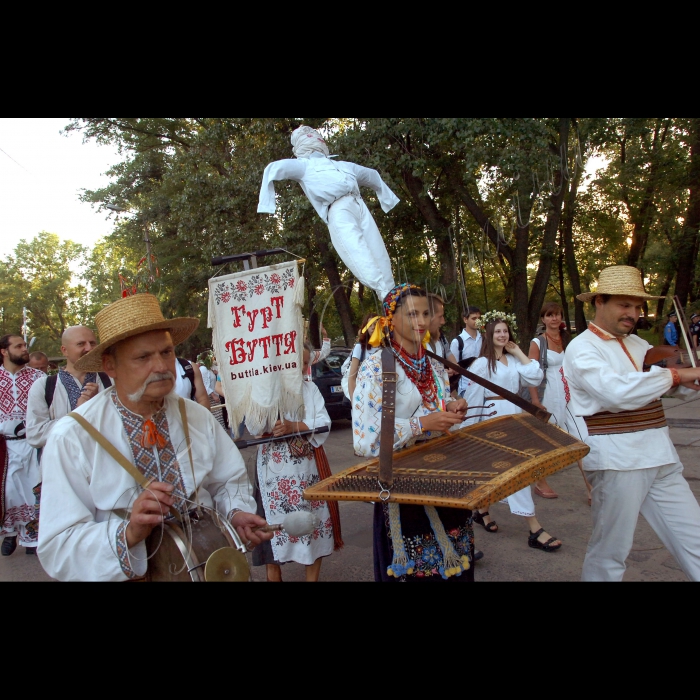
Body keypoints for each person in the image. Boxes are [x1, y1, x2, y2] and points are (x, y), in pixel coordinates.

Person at [37, 294, 272, 582]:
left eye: (166, 352)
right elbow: (58, 546)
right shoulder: (72, 436)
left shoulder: (196, 417)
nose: (161, 366)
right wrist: (129, 533)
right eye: (143, 357)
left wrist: (235, 513)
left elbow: (228, 481)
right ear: (110, 366)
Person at [563, 266, 700, 582]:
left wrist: (683, 383)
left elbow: (659, 389)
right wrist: (677, 375)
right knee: (610, 553)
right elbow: (616, 394)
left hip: (661, 456)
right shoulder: (582, 348)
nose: (633, 313)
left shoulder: (640, 345)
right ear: (599, 301)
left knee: (694, 538)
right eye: (625, 305)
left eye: (638, 307)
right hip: (619, 461)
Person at [354, 284, 475, 582]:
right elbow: (365, 440)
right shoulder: (375, 369)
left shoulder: (433, 365)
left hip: (444, 480)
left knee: (457, 569)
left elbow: (435, 405)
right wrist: (421, 425)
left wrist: (452, 407)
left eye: (424, 313)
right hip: (402, 490)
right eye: (411, 314)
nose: (420, 321)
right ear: (390, 320)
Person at [258, 126, 399, 299]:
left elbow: (372, 175)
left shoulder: (344, 165)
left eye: (315, 136)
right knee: (356, 249)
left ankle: (392, 294)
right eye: (308, 137)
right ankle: (384, 292)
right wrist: (267, 204)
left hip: (358, 203)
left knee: (378, 250)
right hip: (337, 209)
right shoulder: (303, 166)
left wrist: (387, 199)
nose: (314, 139)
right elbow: (273, 169)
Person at [462, 316, 562, 553]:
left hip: (515, 419)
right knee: (512, 472)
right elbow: (474, 398)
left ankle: (482, 511)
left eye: (505, 331)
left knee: (506, 471)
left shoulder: (515, 361)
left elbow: (535, 377)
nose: (502, 335)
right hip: (492, 421)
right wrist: (468, 430)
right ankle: (534, 528)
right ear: (489, 334)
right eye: (497, 331)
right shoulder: (480, 364)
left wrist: (519, 352)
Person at [253, 344, 338, 582]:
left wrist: (294, 426)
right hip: (271, 477)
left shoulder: (310, 389)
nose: (302, 368)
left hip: (306, 471)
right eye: (297, 362)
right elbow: (253, 426)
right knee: (272, 534)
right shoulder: (264, 390)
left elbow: (324, 422)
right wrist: (266, 424)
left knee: (312, 527)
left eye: (305, 362)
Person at [528, 303, 592, 505]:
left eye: (557, 315)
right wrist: (536, 400)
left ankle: (591, 488)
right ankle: (540, 482)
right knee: (546, 441)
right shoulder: (538, 342)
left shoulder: (567, 340)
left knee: (583, 439)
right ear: (543, 319)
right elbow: (531, 374)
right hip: (549, 394)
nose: (554, 319)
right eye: (549, 315)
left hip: (570, 395)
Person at [26, 326, 111, 451]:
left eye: (92, 343)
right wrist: (77, 414)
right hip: (61, 464)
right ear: (64, 350)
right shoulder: (44, 386)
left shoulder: (111, 380)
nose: (89, 348)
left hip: (105, 460)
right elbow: (35, 434)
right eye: (81, 344)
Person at [0, 335, 44, 556]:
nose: (24, 349)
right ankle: (9, 534)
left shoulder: (39, 377)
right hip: (5, 447)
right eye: (18, 346)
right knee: (8, 492)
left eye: (25, 345)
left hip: (33, 444)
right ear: (4, 351)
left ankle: (32, 536)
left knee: (34, 489)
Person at [450, 307, 482, 397]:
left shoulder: (484, 339)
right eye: (474, 318)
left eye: (479, 318)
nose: (477, 321)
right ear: (465, 319)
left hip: (484, 386)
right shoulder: (457, 342)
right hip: (466, 387)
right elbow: (453, 367)